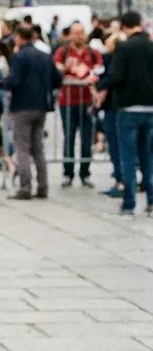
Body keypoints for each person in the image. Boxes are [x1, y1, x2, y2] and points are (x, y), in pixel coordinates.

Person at [0, 25, 63, 200]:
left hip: (22, 105)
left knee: (22, 147)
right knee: (38, 148)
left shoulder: (19, 56)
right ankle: (43, 187)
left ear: (19, 37)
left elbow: (15, 80)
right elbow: (57, 78)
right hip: (41, 106)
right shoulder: (45, 55)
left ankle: (25, 187)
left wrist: (1, 82)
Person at [97, 11, 153, 215]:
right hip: (150, 107)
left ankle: (129, 202)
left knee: (127, 156)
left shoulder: (124, 48)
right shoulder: (151, 45)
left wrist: (99, 85)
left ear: (124, 26)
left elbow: (116, 76)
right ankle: (151, 199)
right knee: (147, 155)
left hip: (128, 108)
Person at [53, 22, 103, 188]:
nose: (78, 36)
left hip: (87, 101)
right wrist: (64, 68)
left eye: (81, 33)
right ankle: (68, 172)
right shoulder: (63, 51)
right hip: (67, 101)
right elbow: (57, 67)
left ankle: (85, 172)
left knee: (86, 139)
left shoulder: (93, 53)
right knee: (69, 137)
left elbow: (99, 70)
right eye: (75, 33)